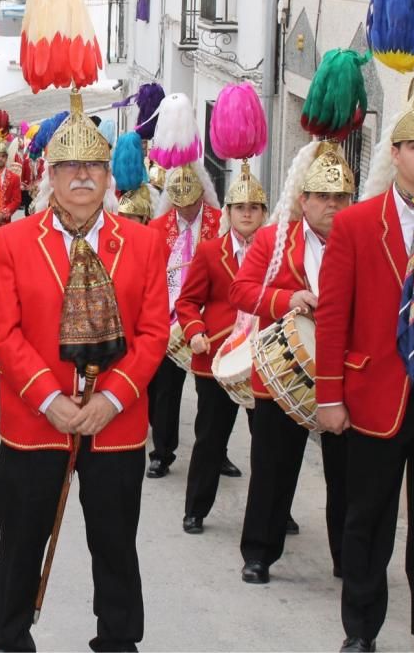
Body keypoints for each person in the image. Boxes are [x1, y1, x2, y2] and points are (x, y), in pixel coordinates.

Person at [0, 92, 169, 652]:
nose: (82, 177)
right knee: (21, 541)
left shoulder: (143, 243)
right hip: (33, 423)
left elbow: (154, 334)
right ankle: (10, 638)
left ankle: (118, 639)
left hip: (115, 425)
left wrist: (109, 400)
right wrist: (51, 400)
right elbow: (4, 333)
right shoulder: (15, 241)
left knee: (115, 542)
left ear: (107, 174)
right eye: (70, 167)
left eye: (93, 166)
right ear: (52, 174)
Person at [315, 76, 414, 653]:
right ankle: (360, 631)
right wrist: (329, 395)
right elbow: (333, 316)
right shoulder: (358, 225)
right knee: (367, 523)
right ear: (395, 153)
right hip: (372, 398)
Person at [228, 139, 353, 586]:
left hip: (344, 375)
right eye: (323, 197)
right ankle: (259, 553)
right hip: (283, 373)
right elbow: (241, 291)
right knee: (272, 470)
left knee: (347, 476)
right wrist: (287, 299)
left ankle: (347, 556)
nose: (332, 205)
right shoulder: (272, 238)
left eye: (341, 197)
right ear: (304, 199)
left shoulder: (360, 239)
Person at [176, 164, 268, 534]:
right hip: (215, 360)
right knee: (210, 438)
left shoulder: (275, 252)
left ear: (263, 212)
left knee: (267, 446)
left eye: (254, 207)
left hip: (261, 360)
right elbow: (187, 302)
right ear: (227, 212)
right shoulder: (210, 252)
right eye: (239, 206)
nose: (247, 213)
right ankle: (196, 508)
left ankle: (276, 511)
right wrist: (195, 330)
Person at [144, 164, 222, 477]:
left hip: (211, 318)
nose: (186, 211)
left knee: (216, 394)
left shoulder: (220, 222)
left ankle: (220, 451)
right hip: (169, 318)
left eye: (191, 204)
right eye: (179, 204)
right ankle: (162, 451)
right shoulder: (157, 227)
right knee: (165, 390)